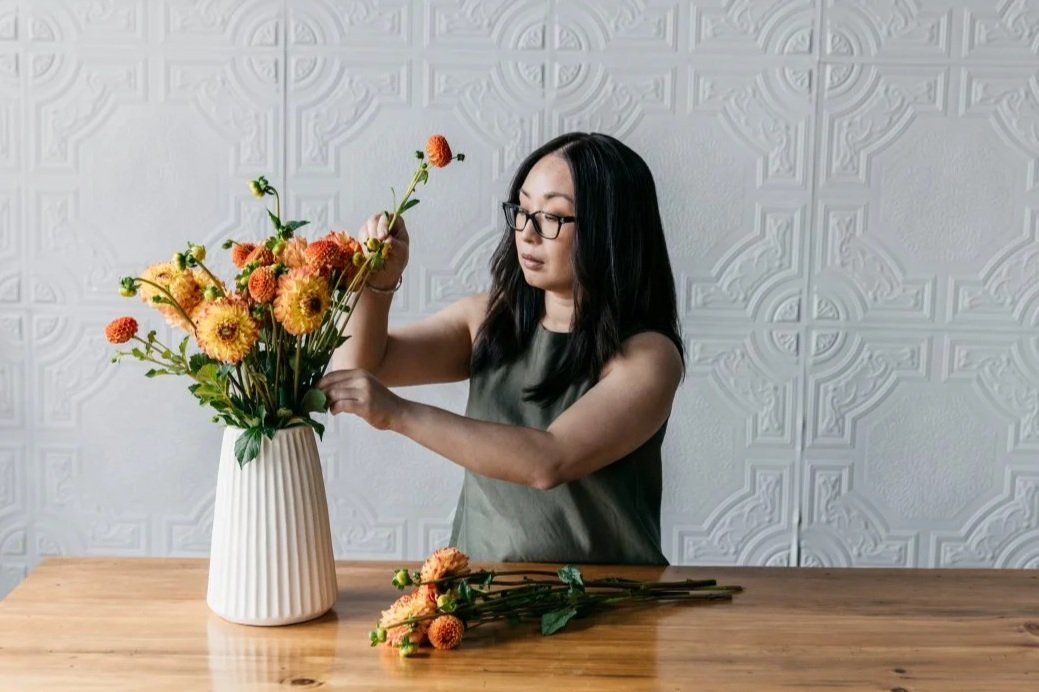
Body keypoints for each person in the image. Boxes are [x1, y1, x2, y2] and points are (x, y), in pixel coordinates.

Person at [319, 132, 684, 564]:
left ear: (610, 230)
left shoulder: (649, 358)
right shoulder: (490, 320)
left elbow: (549, 460)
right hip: (483, 593)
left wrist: (398, 414)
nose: (527, 233)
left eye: (553, 217)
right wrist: (379, 280)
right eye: (523, 210)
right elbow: (361, 366)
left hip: (610, 607)